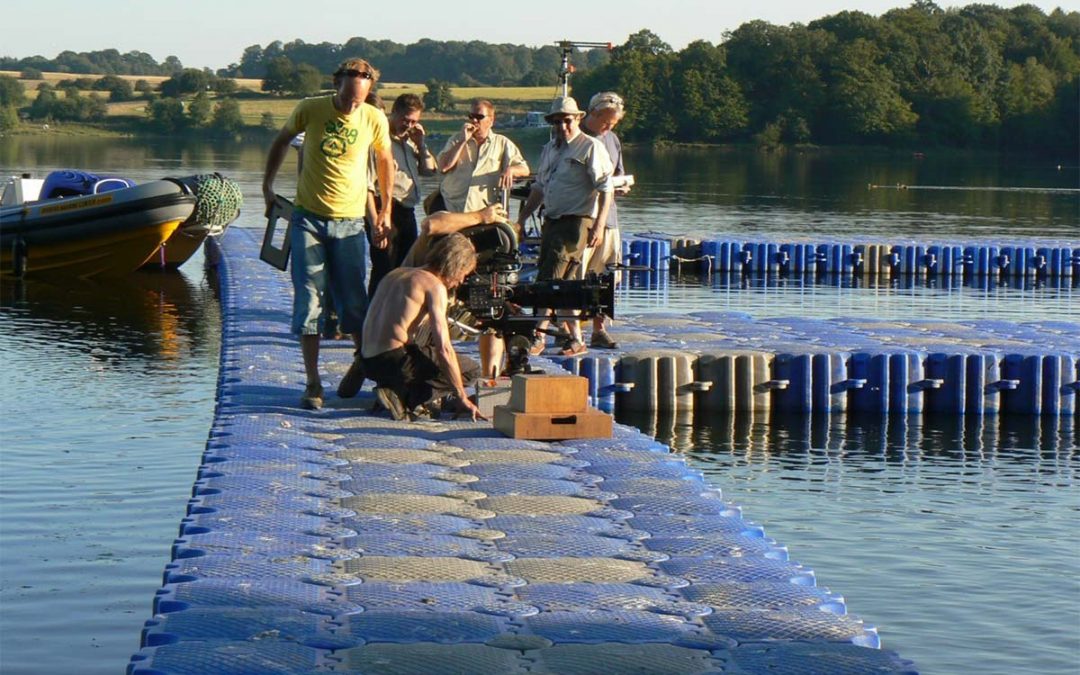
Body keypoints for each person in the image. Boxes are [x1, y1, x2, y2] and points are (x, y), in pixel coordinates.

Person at [261, 57, 394, 410]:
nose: (353, 105)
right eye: (349, 98)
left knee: (353, 302)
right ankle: (313, 382)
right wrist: (268, 186)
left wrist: (385, 211)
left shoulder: (373, 117)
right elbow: (280, 141)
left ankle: (369, 369)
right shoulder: (311, 109)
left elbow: (385, 162)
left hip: (351, 222)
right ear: (337, 85)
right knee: (309, 301)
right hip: (309, 219)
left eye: (360, 99)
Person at [515, 96, 614, 356]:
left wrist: (599, 225)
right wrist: (523, 218)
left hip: (576, 222)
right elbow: (539, 188)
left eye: (567, 120)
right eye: (557, 121)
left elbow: (606, 189)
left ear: (578, 119)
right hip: (552, 220)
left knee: (550, 278)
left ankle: (539, 335)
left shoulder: (590, 147)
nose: (562, 126)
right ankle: (575, 339)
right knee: (563, 283)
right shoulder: (550, 149)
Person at [361, 233, 485, 422]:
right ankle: (405, 397)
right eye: (463, 275)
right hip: (394, 361)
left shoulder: (396, 274)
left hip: (366, 360)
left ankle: (393, 388)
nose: (460, 282)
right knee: (471, 370)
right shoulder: (434, 287)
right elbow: (444, 348)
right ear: (456, 267)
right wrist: (461, 395)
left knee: (423, 331)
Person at [365, 93, 437, 297]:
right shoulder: (379, 139)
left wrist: (421, 144)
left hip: (407, 211)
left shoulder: (410, 141)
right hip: (385, 208)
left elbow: (429, 171)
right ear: (394, 112)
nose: (409, 125)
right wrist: (376, 221)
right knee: (384, 269)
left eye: (414, 121)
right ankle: (373, 319)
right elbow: (368, 182)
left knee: (407, 268)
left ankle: (396, 313)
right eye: (406, 120)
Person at [579, 91, 629, 349]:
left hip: (609, 218)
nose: (609, 128)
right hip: (582, 216)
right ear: (593, 114)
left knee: (607, 276)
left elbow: (618, 174)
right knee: (576, 275)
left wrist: (621, 186)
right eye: (606, 122)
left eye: (614, 124)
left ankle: (599, 328)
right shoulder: (575, 138)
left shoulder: (613, 140)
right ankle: (571, 332)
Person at [435, 99, 529, 213]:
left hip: (483, 212)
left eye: (479, 117)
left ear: (491, 120)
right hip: (452, 208)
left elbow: (524, 169)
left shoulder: (502, 143)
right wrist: (462, 141)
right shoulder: (456, 139)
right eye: (471, 116)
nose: (474, 121)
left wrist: (511, 170)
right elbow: (443, 167)